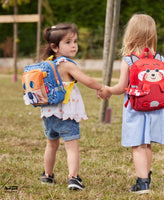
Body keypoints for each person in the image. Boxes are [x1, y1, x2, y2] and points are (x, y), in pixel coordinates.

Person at [99, 14, 164, 194]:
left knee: (138, 145)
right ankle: (147, 176)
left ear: (130, 34)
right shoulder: (159, 58)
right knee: (148, 144)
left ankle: (142, 182)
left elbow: (122, 87)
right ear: (152, 34)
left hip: (135, 108)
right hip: (155, 108)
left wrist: (107, 90)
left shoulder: (128, 60)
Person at [40, 22, 102, 190]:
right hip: (66, 114)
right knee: (71, 147)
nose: (74, 46)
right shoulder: (66, 64)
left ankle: (47, 175)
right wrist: (100, 88)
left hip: (48, 113)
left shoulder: (48, 63)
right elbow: (86, 80)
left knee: (51, 144)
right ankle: (73, 178)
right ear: (55, 46)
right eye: (68, 42)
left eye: (75, 41)